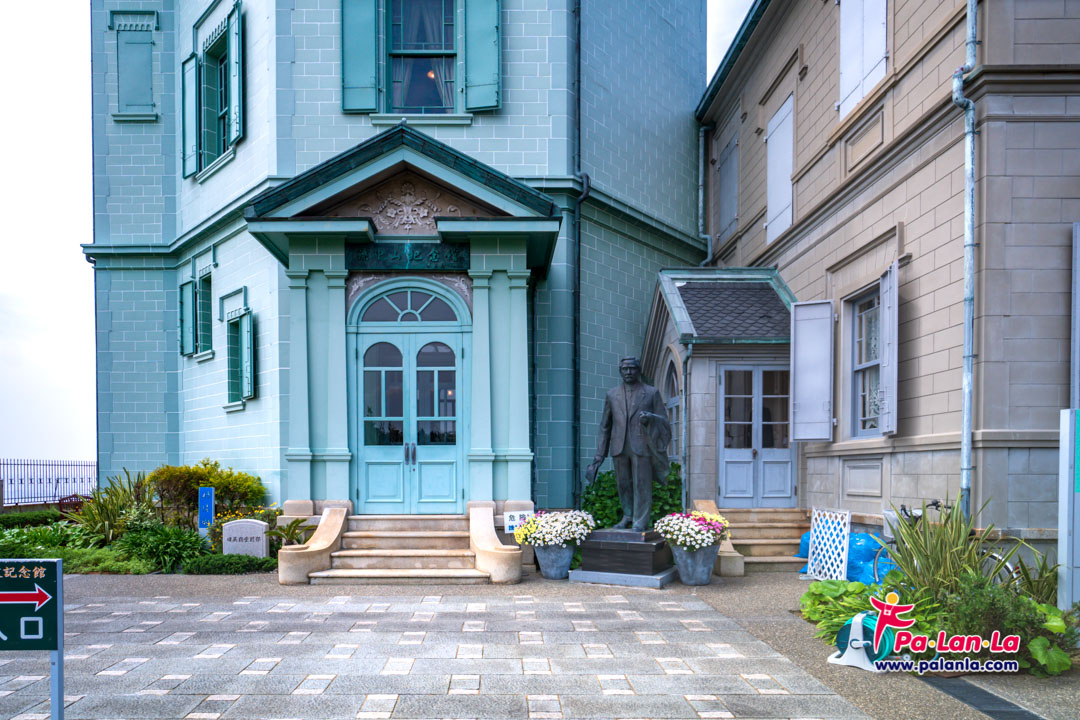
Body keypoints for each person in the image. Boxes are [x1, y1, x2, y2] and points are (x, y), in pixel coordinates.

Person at [586, 356, 671, 531]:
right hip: (619, 446)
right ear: (620, 371)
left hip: (642, 445)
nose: (628, 372)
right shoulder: (611, 394)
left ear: (638, 370)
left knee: (642, 485)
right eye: (625, 369)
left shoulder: (651, 392)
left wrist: (650, 419)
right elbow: (605, 426)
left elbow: (663, 420)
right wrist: (599, 456)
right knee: (623, 484)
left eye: (632, 368)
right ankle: (627, 516)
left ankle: (640, 521)